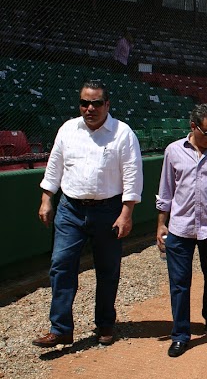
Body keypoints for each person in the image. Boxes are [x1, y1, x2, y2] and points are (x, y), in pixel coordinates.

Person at [33, 80, 143, 348]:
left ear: (107, 104)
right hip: (70, 209)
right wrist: (47, 199)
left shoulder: (122, 133)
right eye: (85, 102)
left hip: (108, 210)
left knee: (107, 270)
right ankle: (60, 329)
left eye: (96, 103)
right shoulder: (69, 129)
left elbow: (132, 175)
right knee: (61, 266)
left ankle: (105, 324)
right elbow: (55, 166)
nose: (89, 108)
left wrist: (126, 212)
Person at [156, 104, 207, 358]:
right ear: (193, 127)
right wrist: (161, 223)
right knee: (179, 283)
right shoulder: (173, 151)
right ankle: (181, 334)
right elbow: (166, 191)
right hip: (180, 228)